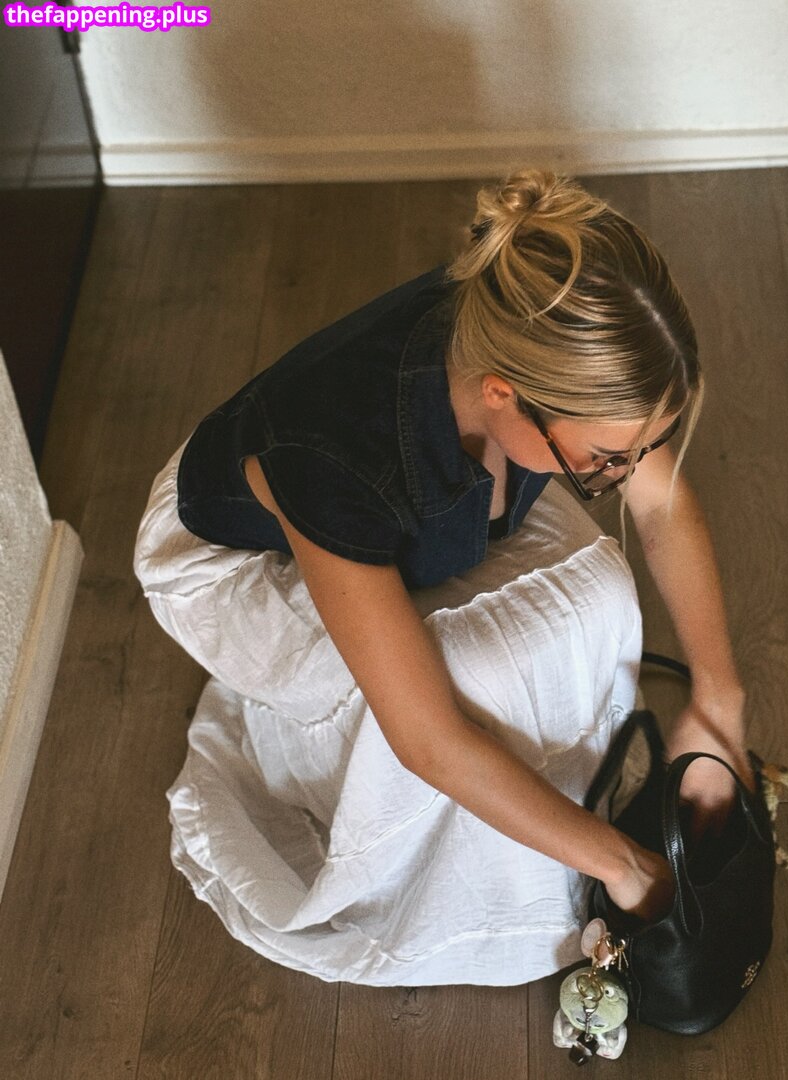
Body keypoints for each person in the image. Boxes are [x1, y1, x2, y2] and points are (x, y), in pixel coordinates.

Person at [133, 169, 751, 986]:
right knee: (470, 680)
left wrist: (719, 698)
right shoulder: (335, 458)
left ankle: (547, 809)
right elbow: (428, 742)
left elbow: (661, 507)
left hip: (411, 497)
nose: (620, 473)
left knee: (598, 593)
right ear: (503, 395)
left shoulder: (528, 329)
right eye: (603, 459)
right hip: (239, 562)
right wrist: (626, 867)